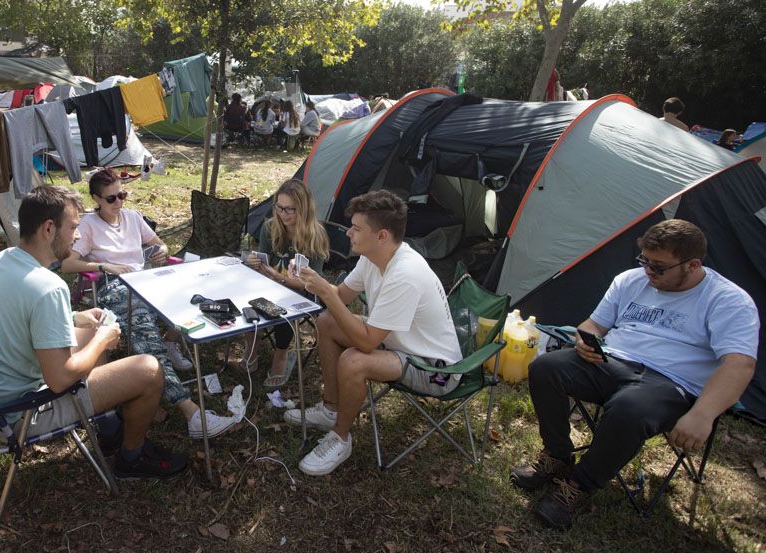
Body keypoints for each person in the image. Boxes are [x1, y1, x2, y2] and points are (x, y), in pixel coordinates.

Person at [511, 219, 758, 529]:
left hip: (671, 383)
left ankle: (579, 487)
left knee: (629, 409)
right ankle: (558, 457)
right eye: (645, 261)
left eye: (659, 267)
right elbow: (593, 325)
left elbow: (739, 364)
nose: (648, 272)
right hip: (612, 361)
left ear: (693, 264)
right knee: (546, 368)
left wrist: (703, 414)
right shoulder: (631, 280)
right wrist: (584, 340)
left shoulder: (728, 301)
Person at [0, 185, 188, 479]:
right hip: (25, 411)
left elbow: (21, 315)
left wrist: (74, 317)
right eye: (73, 227)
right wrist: (101, 341)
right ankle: (131, 458)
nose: (78, 235)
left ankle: (108, 430)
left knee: (90, 325)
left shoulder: (5, 259)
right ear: (48, 229)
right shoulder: (48, 287)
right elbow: (59, 380)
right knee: (149, 369)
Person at [284, 190, 462, 475]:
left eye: (356, 228)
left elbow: (365, 343)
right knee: (328, 322)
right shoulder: (373, 257)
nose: (349, 234)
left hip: (435, 368)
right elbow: (340, 296)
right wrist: (310, 281)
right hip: (398, 343)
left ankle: (340, 438)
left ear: (381, 235)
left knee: (354, 360)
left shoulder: (405, 274)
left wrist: (324, 294)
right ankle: (331, 409)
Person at [61, 169, 235, 439]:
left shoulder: (132, 217)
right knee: (146, 337)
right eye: (111, 198)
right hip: (116, 287)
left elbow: (159, 245)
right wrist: (103, 264)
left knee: (194, 300)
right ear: (96, 198)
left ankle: (169, 339)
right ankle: (191, 413)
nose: (118, 202)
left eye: (122, 194)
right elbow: (68, 262)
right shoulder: (87, 225)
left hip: (147, 279)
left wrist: (158, 252)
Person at [241, 179, 329, 387]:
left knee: (281, 308)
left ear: (304, 209)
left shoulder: (315, 235)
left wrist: (280, 277)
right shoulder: (270, 227)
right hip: (272, 282)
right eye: (279, 207)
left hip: (304, 291)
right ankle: (251, 346)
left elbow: (312, 284)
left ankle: (281, 354)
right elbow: (264, 259)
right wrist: (252, 262)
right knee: (244, 296)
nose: (284, 214)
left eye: (291, 209)